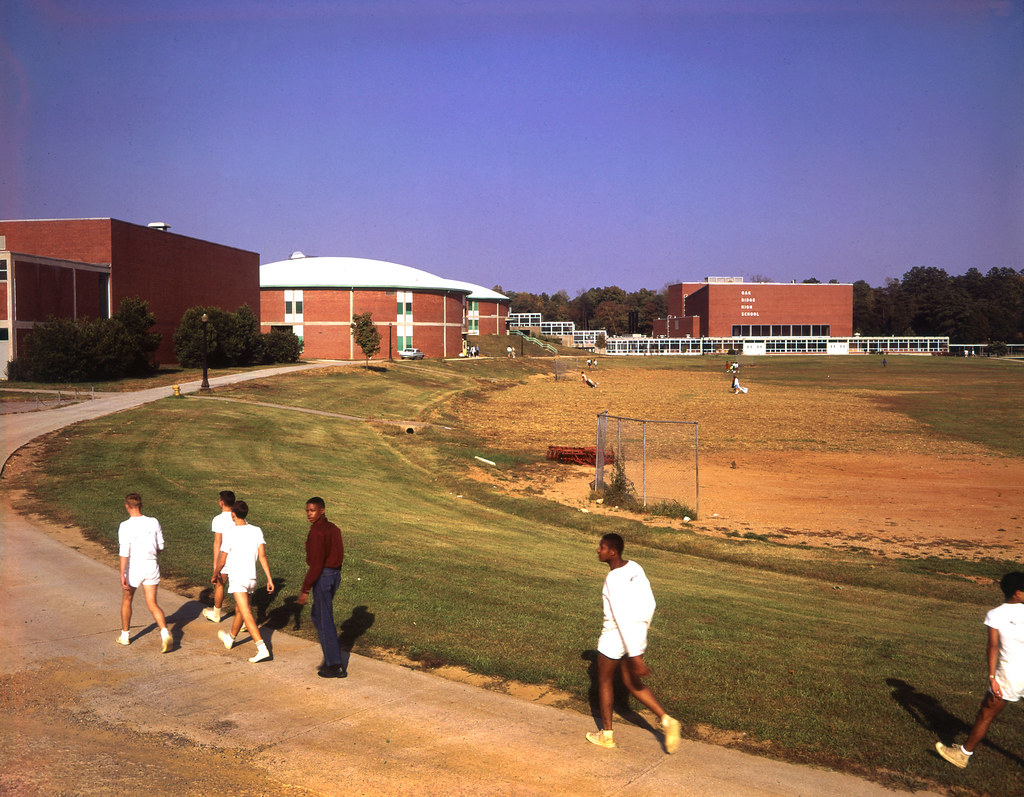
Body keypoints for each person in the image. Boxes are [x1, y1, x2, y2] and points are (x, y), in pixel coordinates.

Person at [586, 533, 681, 753]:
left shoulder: (613, 579)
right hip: (635, 634)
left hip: (614, 637)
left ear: (613, 552)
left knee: (605, 682)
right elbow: (650, 603)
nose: (598, 550)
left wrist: (635, 655)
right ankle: (666, 720)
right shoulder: (635, 568)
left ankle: (607, 735)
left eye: (602, 547)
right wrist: (640, 637)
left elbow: (620, 616)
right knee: (631, 683)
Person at [935, 571, 1024, 768]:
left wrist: (992, 677)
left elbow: (993, 647)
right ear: (1017, 593)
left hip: (1010, 674)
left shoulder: (995, 614)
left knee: (986, 715)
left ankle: (963, 754)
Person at [214, 500, 274, 663]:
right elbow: (262, 556)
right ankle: (230, 638)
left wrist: (215, 573)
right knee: (241, 610)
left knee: (245, 612)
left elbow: (222, 559)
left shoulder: (230, 532)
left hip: (238, 579)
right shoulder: (256, 530)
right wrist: (269, 578)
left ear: (233, 514)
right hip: (251, 579)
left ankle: (261, 647)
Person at [117, 492, 172, 653]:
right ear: (141, 505)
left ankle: (125, 635)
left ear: (127, 506)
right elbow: (160, 546)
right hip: (151, 566)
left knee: (127, 600)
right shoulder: (153, 522)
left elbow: (124, 552)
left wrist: (122, 573)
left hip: (133, 568)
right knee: (152, 603)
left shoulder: (125, 526)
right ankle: (164, 632)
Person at [297, 497, 346, 678]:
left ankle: (335, 664)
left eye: (313, 511)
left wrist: (305, 589)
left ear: (322, 510)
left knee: (324, 620)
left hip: (324, 576)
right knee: (318, 615)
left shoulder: (318, 532)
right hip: (334, 575)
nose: (309, 514)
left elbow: (316, 564)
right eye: (307, 511)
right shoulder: (333, 528)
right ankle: (330, 654)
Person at [203, 490, 236, 623]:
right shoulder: (239, 517)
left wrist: (216, 564)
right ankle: (244, 619)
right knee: (239, 588)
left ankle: (216, 613)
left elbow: (217, 542)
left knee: (220, 584)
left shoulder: (218, 519)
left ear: (221, 502)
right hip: (238, 555)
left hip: (224, 556)